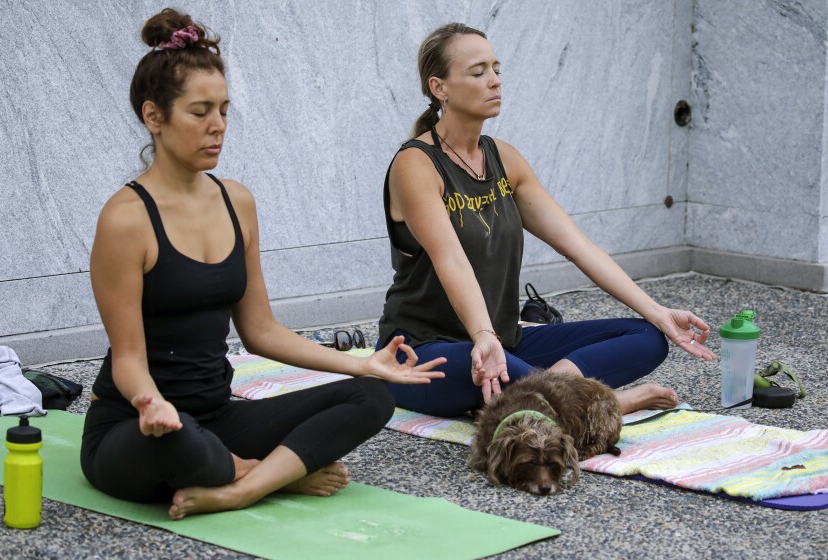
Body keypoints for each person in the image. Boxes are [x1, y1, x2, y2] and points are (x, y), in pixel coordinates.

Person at [80, 9, 445, 521]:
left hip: (218, 414)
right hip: (137, 427)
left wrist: (364, 363)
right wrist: (148, 402)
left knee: (371, 398)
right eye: (200, 111)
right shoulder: (125, 220)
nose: (218, 126)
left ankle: (241, 487)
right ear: (154, 117)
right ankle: (276, 473)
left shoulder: (238, 202)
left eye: (225, 110)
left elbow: (261, 331)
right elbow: (128, 357)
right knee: (181, 445)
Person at [376, 23, 716, 419]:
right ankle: (594, 404)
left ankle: (545, 395)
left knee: (646, 337)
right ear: (440, 88)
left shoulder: (505, 159)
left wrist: (657, 311)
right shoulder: (416, 164)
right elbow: (450, 258)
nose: (494, 81)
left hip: (503, 344)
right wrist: (483, 336)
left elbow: (580, 247)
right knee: (478, 362)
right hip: (425, 352)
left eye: (496, 69)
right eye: (478, 72)